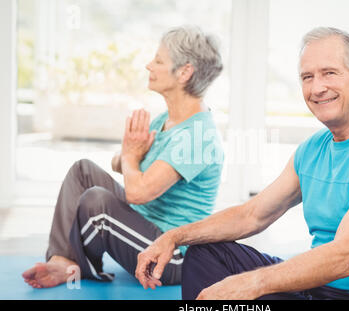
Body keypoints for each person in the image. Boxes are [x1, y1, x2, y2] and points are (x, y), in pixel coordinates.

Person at [135, 27, 349, 300]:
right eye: (308, 77)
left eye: (330, 73)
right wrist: (174, 237)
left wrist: (250, 285)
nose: (317, 88)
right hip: (319, 289)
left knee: (255, 294)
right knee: (206, 253)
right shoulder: (313, 149)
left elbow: (345, 256)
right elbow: (252, 215)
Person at [22, 25, 224, 288]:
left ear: (185, 72)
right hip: (143, 231)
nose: (148, 66)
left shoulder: (197, 135)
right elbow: (119, 163)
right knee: (83, 171)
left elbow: (138, 192)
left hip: (171, 257)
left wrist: (130, 156)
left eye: (159, 60)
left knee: (98, 204)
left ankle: (73, 265)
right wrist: (129, 155)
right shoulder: (166, 120)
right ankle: (63, 260)